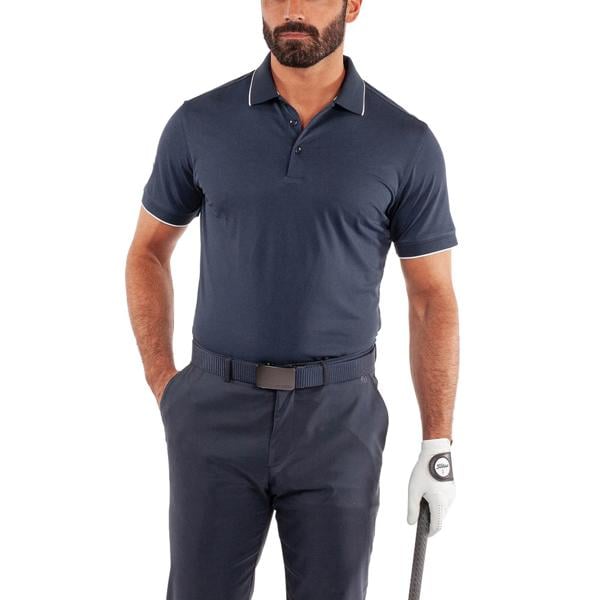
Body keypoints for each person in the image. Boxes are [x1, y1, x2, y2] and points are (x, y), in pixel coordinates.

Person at [125, 1, 459, 598]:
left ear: (352, 5)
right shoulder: (199, 123)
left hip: (340, 420)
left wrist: (438, 441)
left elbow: (431, 297)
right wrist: (164, 382)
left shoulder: (406, 142)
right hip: (214, 410)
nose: (293, 10)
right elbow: (148, 250)